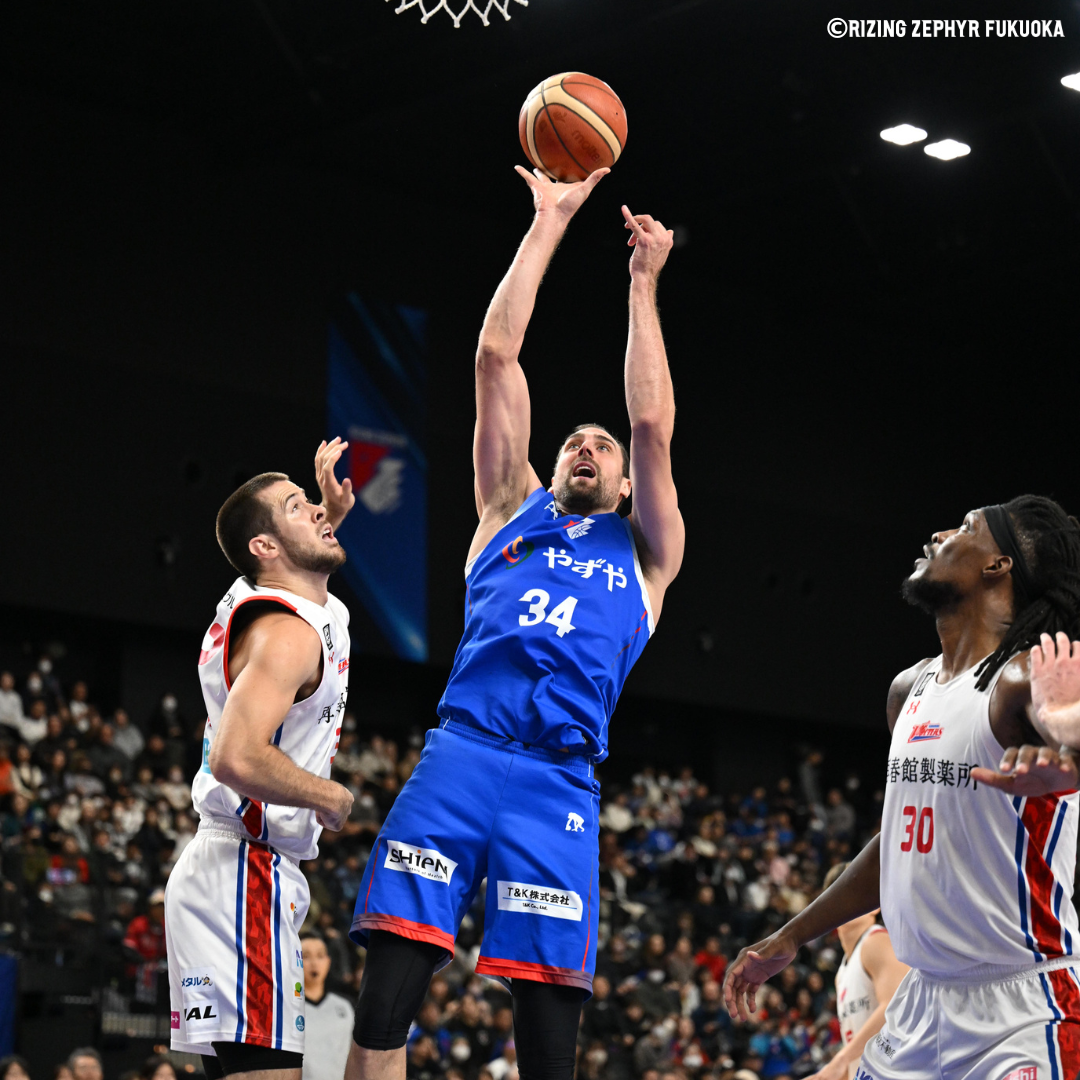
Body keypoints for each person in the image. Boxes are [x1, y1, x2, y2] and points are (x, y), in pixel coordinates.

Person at [347, 165, 684, 1080]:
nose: (586, 446)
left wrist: (642, 281)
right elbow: (496, 358)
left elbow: (652, 423)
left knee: (546, 1039)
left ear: (626, 485)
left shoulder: (647, 553)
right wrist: (549, 222)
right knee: (384, 1000)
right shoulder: (509, 507)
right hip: (461, 755)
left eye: (601, 446)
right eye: (574, 440)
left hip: (556, 782)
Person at [724, 497, 1080, 1078]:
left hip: (1023, 1008)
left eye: (966, 527)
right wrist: (790, 936)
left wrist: (1070, 745)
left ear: (997, 566)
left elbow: (1066, 719)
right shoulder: (908, 689)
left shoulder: (1021, 676)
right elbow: (898, 845)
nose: (940, 533)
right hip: (920, 1006)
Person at [165, 439, 357, 1080]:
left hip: (231, 871)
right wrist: (329, 795)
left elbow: (305, 579)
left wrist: (325, 518)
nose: (317, 509)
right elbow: (235, 757)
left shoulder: (272, 601)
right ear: (265, 547)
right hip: (246, 872)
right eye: (299, 506)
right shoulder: (287, 635)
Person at [806, 863, 908, 1080]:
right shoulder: (842, 973)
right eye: (839, 894)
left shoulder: (876, 942)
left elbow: (896, 1008)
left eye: (856, 892)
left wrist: (841, 1059)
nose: (847, 902)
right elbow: (856, 1051)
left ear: (875, 906)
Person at [300, 931, 355, 1080]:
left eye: (320, 955)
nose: (314, 963)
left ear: (328, 961)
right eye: (306, 956)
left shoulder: (346, 1006)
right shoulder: (284, 1009)